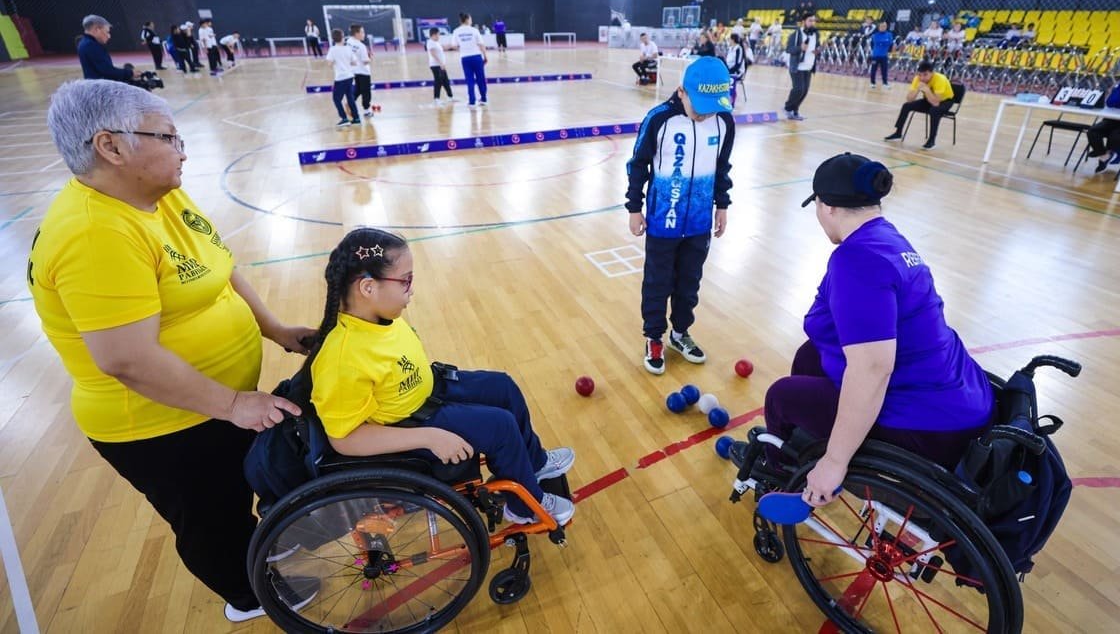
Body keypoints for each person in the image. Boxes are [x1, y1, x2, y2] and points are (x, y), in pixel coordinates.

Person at [32, 79, 317, 623]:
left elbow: (219, 264)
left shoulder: (158, 193)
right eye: (169, 137)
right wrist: (233, 405)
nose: (183, 150)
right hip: (161, 423)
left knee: (238, 491)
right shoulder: (94, 233)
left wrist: (276, 330)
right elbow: (127, 359)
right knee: (211, 516)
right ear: (111, 147)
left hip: (213, 402)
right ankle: (248, 595)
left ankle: (258, 549)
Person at [731, 153, 993, 505]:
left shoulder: (855, 262)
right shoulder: (885, 238)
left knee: (781, 396)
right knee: (811, 356)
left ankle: (782, 476)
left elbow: (873, 368)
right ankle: (808, 448)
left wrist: (835, 463)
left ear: (827, 208)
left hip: (930, 424)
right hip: (960, 396)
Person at [307, 228, 576, 525]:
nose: (412, 290)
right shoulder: (344, 358)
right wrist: (430, 437)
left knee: (503, 387)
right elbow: (344, 440)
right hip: (410, 422)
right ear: (368, 288)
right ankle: (523, 507)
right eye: (405, 281)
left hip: (428, 391)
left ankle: (534, 463)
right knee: (501, 427)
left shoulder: (377, 316)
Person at [625, 57, 735, 375]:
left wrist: (722, 205)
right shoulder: (659, 120)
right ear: (681, 92)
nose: (704, 113)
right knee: (658, 282)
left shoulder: (723, 121)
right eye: (698, 105)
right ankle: (654, 337)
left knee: (690, 283)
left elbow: (722, 168)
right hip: (663, 220)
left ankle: (679, 333)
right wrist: (634, 208)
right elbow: (638, 165)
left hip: (700, 222)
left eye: (710, 106)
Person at [883, 60, 954, 150]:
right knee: (906, 106)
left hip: (945, 101)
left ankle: (932, 140)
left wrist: (927, 90)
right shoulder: (918, 79)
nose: (922, 78)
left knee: (934, 111)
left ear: (932, 73)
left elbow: (935, 103)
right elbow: (909, 99)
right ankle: (898, 132)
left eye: (925, 75)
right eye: (920, 75)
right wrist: (917, 89)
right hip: (929, 99)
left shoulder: (940, 79)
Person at [77, 15, 133, 82]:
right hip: (101, 88)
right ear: (97, 29)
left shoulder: (84, 43)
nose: (109, 36)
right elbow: (107, 71)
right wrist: (130, 73)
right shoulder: (91, 45)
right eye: (107, 32)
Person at [784, 15, 819, 121]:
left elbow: (817, 46)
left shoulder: (816, 34)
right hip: (797, 66)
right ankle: (788, 108)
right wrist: (800, 48)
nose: (813, 22)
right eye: (810, 20)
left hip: (809, 66)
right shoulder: (795, 35)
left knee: (804, 91)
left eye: (814, 21)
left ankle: (795, 111)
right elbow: (789, 49)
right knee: (798, 89)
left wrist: (818, 50)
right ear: (804, 21)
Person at [451, 12, 489, 107]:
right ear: (467, 19)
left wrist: (463, 48)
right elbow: (481, 44)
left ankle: (472, 101)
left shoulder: (456, 31)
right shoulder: (474, 30)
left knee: (469, 80)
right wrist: (485, 56)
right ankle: (483, 99)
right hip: (476, 57)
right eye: (471, 19)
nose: (471, 21)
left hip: (465, 58)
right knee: (481, 78)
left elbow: (454, 46)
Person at [326, 28, 360, 128]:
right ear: (342, 37)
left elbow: (329, 63)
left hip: (340, 78)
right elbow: (354, 62)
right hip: (350, 77)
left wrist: (336, 61)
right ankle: (356, 118)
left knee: (336, 99)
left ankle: (344, 118)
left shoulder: (332, 50)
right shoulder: (348, 49)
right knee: (350, 98)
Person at [346, 25, 374, 118]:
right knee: (366, 92)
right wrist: (370, 58)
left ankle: (350, 102)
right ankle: (367, 111)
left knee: (358, 89)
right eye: (362, 32)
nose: (364, 34)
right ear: (357, 33)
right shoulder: (361, 46)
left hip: (354, 71)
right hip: (364, 72)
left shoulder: (349, 41)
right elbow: (365, 61)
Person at [426, 28, 455, 106]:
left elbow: (443, 47)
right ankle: (436, 99)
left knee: (445, 81)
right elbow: (433, 54)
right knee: (438, 82)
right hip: (436, 66)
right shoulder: (430, 42)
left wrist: (452, 45)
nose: (439, 36)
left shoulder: (436, 43)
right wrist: (441, 63)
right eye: (438, 35)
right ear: (434, 35)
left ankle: (450, 97)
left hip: (440, 65)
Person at [868, 20, 894, 89]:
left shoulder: (889, 34)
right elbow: (877, 42)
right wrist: (885, 42)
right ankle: (872, 82)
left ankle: (885, 83)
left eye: (885, 26)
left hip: (884, 56)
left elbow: (890, 44)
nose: (883, 27)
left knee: (884, 70)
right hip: (876, 56)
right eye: (882, 26)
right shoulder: (875, 35)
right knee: (874, 69)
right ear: (879, 27)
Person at [725, 33, 747, 108]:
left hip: (737, 72)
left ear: (733, 40)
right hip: (729, 70)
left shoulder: (739, 49)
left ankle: (731, 103)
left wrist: (730, 71)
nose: (729, 41)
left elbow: (738, 63)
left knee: (730, 80)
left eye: (730, 39)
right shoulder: (730, 48)